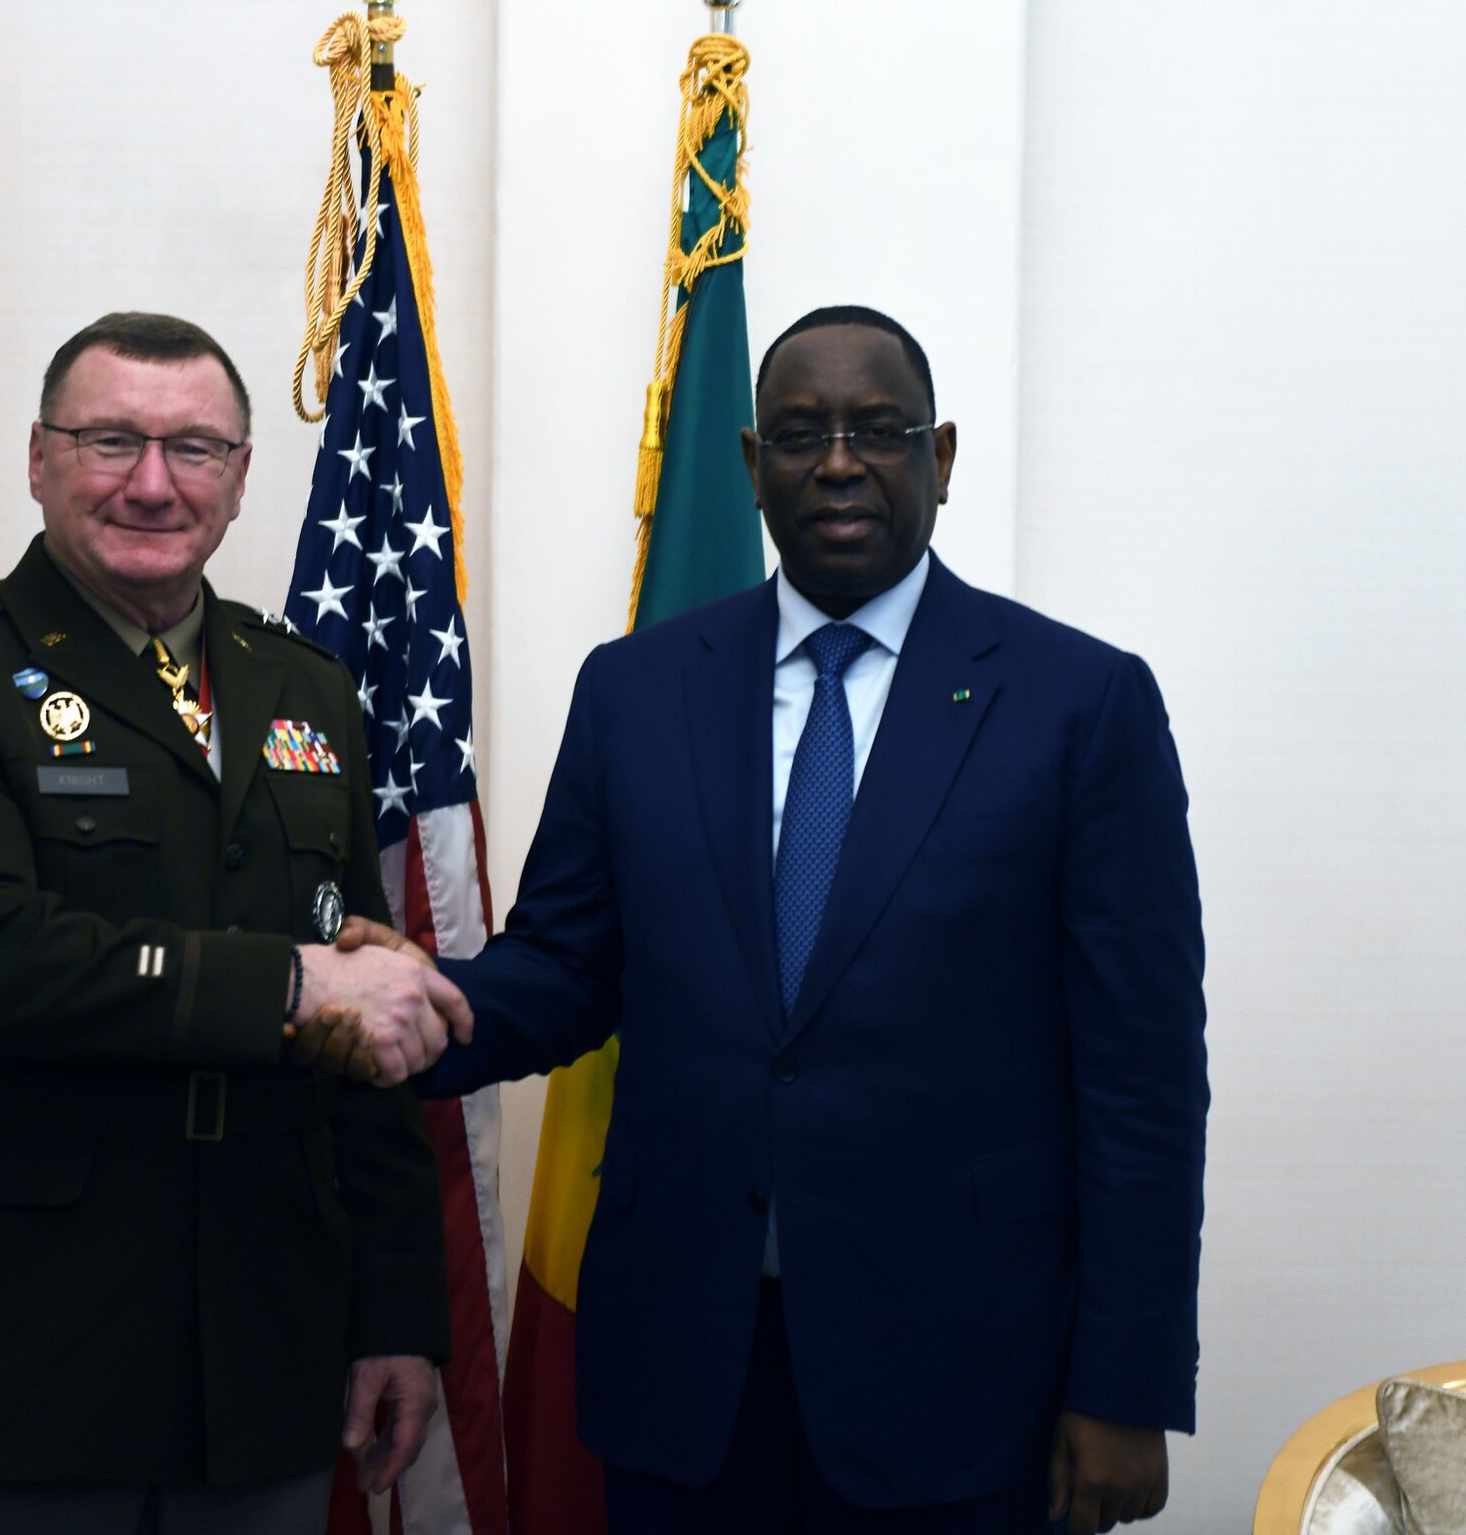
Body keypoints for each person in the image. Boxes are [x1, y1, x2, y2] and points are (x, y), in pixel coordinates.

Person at [348, 307, 1208, 1534]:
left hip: (961, 1383)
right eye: (801, 434)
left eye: (877, 431)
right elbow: (568, 964)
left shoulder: (1078, 704)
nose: (839, 462)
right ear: (751, 465)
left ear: (942, 457)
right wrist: (426, 995)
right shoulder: (637, 687)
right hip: (686, 1375)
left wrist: (1123, 1386)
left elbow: (1142, 1080)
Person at [0, 311, 471, 1533]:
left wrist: (395, 1315)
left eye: (195, 450)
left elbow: (365, 1019)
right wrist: (286, 986)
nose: (153, 485)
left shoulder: (305, 686)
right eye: (111, 441)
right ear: (37, 458)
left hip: (263, 1353)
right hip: (12, 1354)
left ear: (237, 480)